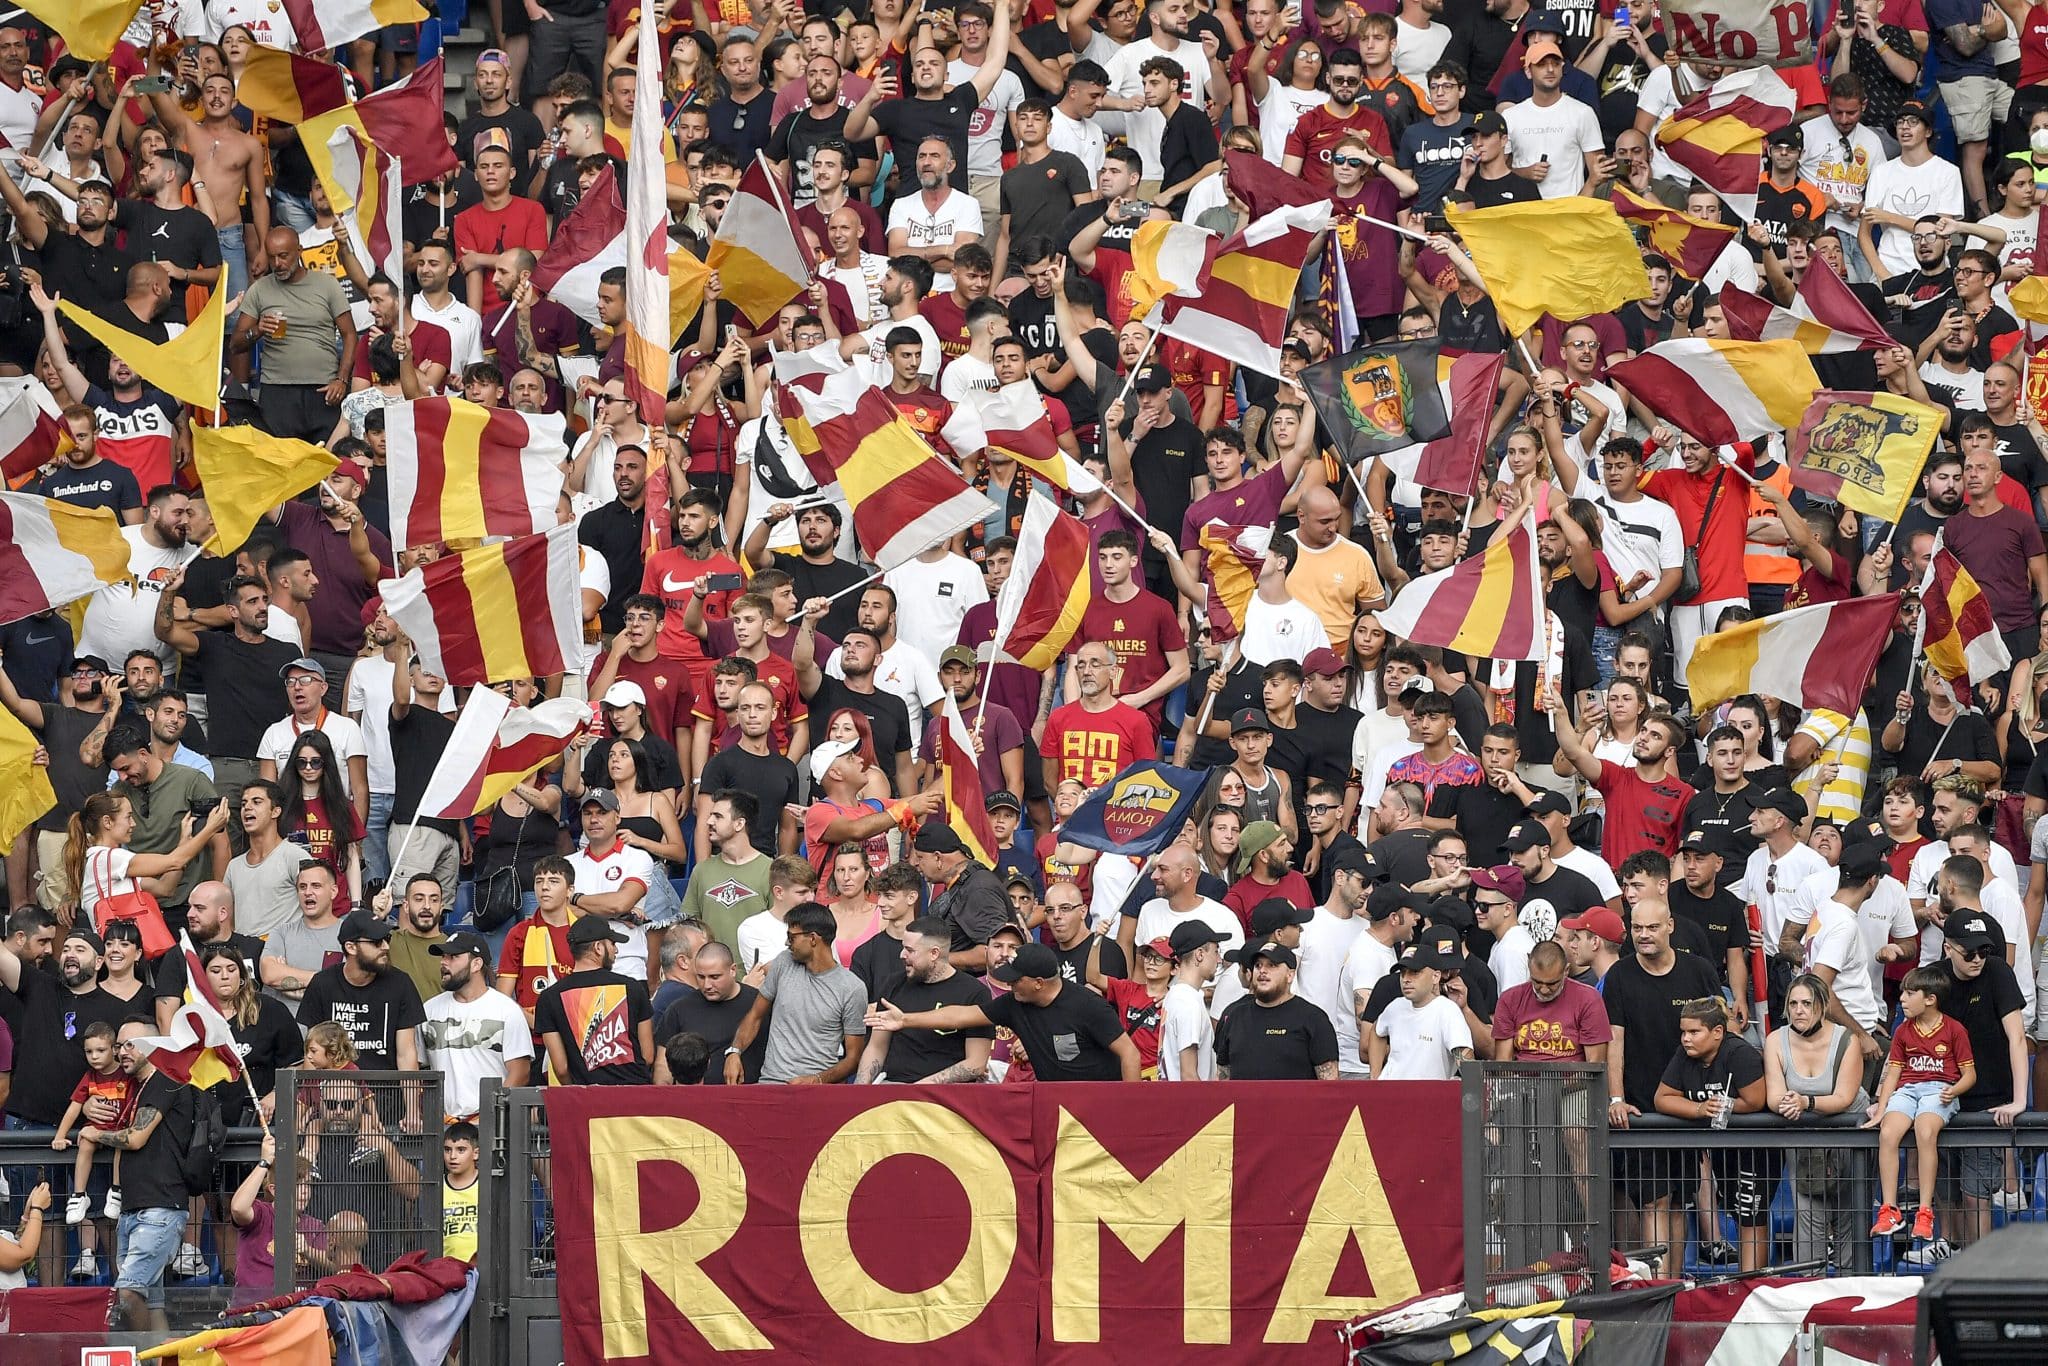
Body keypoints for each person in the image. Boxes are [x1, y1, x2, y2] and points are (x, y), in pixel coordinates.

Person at [866, 942, 1142, 1081]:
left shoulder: (1088, 1006)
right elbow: (959, 1016)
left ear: (1038, 983)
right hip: (1054, 1103)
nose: (1008, 984)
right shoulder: (1014, 1003)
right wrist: (905, 1020)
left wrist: (1122, 1107)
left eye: (1015, 979)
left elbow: (1129, 1053)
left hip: (1098, 1099)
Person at [1653, 996, 1775, 1272]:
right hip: (1722, 1151)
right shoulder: (1684, 1055)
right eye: (1683, 1032)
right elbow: (1662, 1098)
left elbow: (1756, 1100)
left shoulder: (1739, 1054)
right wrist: (1698, 1108)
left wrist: (1726, 1106)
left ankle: (1750, 1286)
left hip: (1754, 1150)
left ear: (1717, 1032)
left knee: (1750, 1216)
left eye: (1694, 1032)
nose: (1686, 1039)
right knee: (1736, 1211)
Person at [89, 1018, 196, 1331]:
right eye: (120, 1045)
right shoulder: (140, 1086)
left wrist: (95, 1135)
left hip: (159, 1209)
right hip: (137, 1209)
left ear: (156, 1046)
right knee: (151, 1301)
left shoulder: (165, 1080)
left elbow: (135, 1137)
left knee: (130, 1292)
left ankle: (139, 1356)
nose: (122, 1052)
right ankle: (160, 1360)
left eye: (131, 1044)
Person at [1764, 973, 1871, 1267]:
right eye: (1794, 1003)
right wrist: (1786, 1102)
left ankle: (1852, 1289)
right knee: (1808, 1213)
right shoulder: (1776, 1039)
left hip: (1848, 1134)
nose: (1799, 1010)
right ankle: (1810, 1291)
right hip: (1804, 1136)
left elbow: (1844, 1097)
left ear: (1822, 1007)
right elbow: (1773, 1095)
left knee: (1851, 1213)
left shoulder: (1846, 1040)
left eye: (1807, 1003)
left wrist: (1805, 1102)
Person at [1867, 966, 1976, 1246]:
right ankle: (1890, 1210)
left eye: (1909, 993)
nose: (1901, 998)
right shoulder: (1903, 1031)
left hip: (1940, 1089)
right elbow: (1893, 1073)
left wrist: (1955, 1090)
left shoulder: (1954, 1030)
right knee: (1888, 1133)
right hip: (1907, 1090)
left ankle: (1925, 1211)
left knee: (1925, 1130)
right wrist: (1881, 1107)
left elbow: (1970, 1075)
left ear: (1930, 999)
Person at [724, 903, 867, 1084]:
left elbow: (853, 1058)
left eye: (791, 937)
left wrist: (816, 1080)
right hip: (771, 1083)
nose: (786, 943)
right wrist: (734, 1052)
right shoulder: (783, 962)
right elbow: (755, 1015)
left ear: (813, 939)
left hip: (818, 1091)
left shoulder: (852, 988)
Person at [855, 917, 994, 1082]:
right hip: (894, 1089)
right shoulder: (892, 984)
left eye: (910, 950)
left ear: (934, 953)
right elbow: (876, 1047)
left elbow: (976, 1064)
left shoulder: (974, 992)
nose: (902, 955)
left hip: (948, 1094)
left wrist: (922, 1088)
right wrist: (861, 1088)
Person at [423, 931, 535, 1122]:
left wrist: (490, 1114)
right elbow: (417, 1069)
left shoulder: (506, 1009)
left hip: (494, 1124)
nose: (444, 962)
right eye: (443, 956)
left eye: (453, 957)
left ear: (476, 964)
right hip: (443, 1124)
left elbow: (521, 1072)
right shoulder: (429, 1009)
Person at [533, 918, 655, 1085]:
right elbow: (648, 1056)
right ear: (598, 947)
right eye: (612, 944)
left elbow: (560, 1068)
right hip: (634, 1093)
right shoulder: (632, 987)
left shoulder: (549, 998)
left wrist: (578, 1088)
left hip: (587, 1100)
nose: (616, 950)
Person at [1215, 941, 1341, 1079]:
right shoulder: (1235, 1016)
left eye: (1272, 965)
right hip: (1243, 1101)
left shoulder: (1313, 1019)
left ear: (1290, 975)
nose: (1262, 970)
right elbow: (1223, 1079)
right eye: (1258, 965)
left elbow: (1330, 1085)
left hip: (1296, 1101)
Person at [655, 941, 765, 1084]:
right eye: (701, 977)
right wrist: (666, 1095)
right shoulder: (680, 1008)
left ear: (732, 970)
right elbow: (663, 1063)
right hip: (697, 1101)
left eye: (714, 977)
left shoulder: (759, 1004)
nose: (707, 985)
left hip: (751, 1098)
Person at [1372, 939, 1474, 1080]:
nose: (1406, 979)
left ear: (1436, 976)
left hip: (1427, 1097)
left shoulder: (1447, 1011)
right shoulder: (1395, 1006)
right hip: (1389, 1093)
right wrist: (1375, 1078)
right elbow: (1376, 1032)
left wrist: (1470, 1086)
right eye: (1403, 973)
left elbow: (1466, 1062)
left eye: (1414, 972)